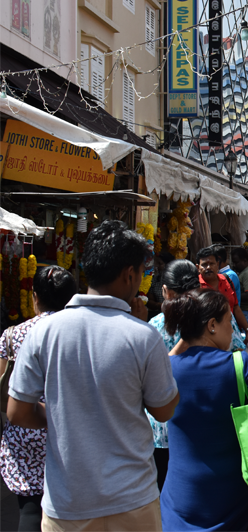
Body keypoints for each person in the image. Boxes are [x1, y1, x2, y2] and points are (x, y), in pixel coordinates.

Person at [7, 220, 179, 530]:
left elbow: (17, 411)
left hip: (66, 503)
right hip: (132, 500)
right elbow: (164, 410)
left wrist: (60, 413)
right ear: (130, 275)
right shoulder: (142, 336)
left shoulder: (43, 331)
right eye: (142, 273)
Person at [160, 289, 248, 530]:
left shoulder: (168, 369)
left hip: (181, 491)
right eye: (229, 321)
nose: (233, 330)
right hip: (232, 494)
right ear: (212, 325)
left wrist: (185, 338)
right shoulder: (241, 366)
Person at [0, 266, 76, 532]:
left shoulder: (12, 334)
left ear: (34, 296)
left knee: (29, 509)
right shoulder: (79, 333)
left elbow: (2, 385)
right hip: (68, 430)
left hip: (24, 428)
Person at [146, 259, 201, 492]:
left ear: (165, 291)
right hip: (204, 426)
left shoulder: (152, 327)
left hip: (161, 431)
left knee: (164, 496)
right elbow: (237, 357)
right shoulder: (214, 321)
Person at [197, 246, 248, 345]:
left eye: (211, 264)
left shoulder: (227, 281)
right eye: (204, 265)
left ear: (218, 265)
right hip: (206, 340)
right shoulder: (195, 286)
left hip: (231, 336)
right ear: (197, 267)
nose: (208, 267)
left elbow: (236, 307)